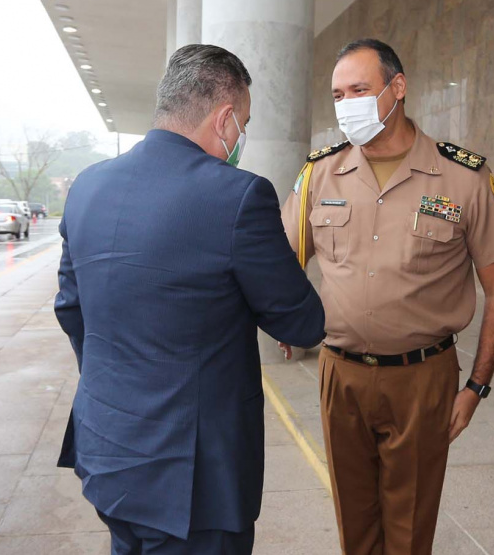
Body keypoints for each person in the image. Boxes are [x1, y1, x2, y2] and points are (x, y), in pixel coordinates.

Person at [55, 44, 326, 555]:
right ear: (225, 120)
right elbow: (303, 323)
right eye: (242, 123)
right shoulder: (239, 196)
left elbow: (71, 309)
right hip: (193, 482)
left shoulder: (87, 187)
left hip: (107, 449)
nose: (241, 137)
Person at [280, 38, 494, 555]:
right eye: (338, 94)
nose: (347, 105)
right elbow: (281, 259)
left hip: (422, 379)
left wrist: (477, 386)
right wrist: (285, 318)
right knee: (355, 522)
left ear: (397, 88)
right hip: (340, 375)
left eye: (359, 90)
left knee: (409, 528)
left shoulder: (463, 176)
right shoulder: (318, 172)